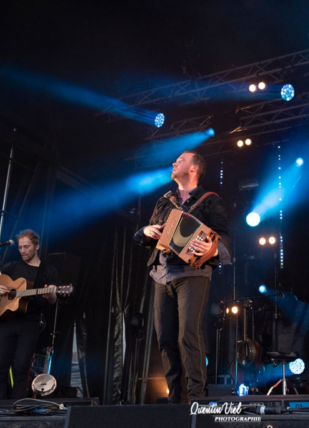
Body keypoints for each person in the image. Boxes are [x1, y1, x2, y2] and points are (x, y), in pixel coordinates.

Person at [134, 151, 231, 403]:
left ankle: (196, 396)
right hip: (161, 274)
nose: (174, 162)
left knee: (187, 333)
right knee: (165, 338)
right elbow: (145, 233)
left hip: (193, 273)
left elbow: (224, 238)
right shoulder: (164, 201)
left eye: (181, 160)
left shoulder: (210, 201)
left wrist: (212, 249)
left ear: (194, 168)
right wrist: (147, 230)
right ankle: (176, 399)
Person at [0, 229, 59, 400]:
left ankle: (18, 406)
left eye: (26, 247)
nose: (22, 251)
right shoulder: (13, 266)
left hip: (30, 323)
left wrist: (50, 293)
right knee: (0, 366)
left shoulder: (48, 271)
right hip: (8, 322)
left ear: (36, 246)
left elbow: (52, 300)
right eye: (20, 247)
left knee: (22, 366)